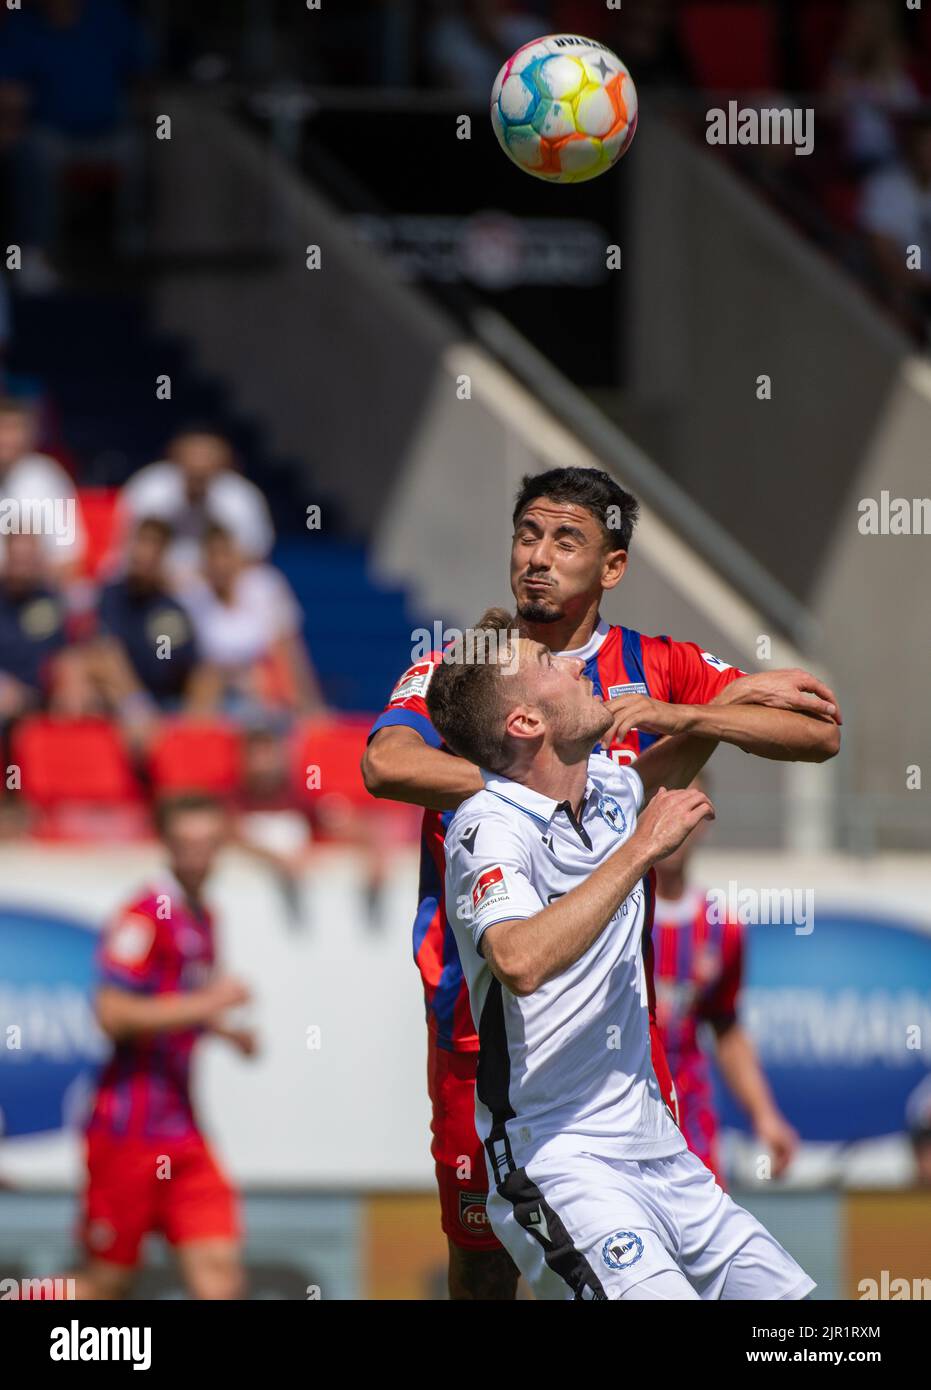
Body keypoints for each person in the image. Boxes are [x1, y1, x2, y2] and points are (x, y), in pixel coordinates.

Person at [362, 465, 841, 1300]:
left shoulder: (651, 668)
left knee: (644, 1242)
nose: (535, 558)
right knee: (486, 1253)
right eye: (525, 535)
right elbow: (383, 760)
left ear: (611, 568)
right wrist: (537, 796)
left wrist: (692, 715)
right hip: (480, 1031)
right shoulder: (479, 663)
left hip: (618, 1023)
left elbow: (815, 733)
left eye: (563, 539)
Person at [429, 617, 815, 1300]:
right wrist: (641, 849)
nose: (579, 666)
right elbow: (517, 958)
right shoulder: (486, 828)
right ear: (523, 722)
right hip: (559, 1161)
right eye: (551, 663)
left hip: (662, 1153)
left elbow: (704, 740)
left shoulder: (608, 786)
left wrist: (740, 695)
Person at [71, 792, 255, 1299]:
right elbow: (112, 1014)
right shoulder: (142, 914)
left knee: (220, 1274)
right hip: (126, 1130)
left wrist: (224, 1029)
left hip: (183, 1130)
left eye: (207, 843)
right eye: (185, 844)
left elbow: (176, 1004)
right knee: (105, 1283)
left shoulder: (205, 917)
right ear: (165, 845)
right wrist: (208, 1005)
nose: (197, 855)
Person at [652, 774, 798, 1187]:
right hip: (619, 1124)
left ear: (706, 816)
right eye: (662, 801)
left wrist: (765, 1117)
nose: (676, 819)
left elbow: (726, 1028)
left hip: (691, 1130)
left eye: (689, 805)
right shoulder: (611, 914)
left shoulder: (722, 927)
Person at [178, 522, 326, 719]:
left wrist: (311, 704)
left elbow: (290, 649)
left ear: (237, 557)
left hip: (264, 696)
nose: (219, 564)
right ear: (204, 563)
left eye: (225, 554)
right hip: (215, 698)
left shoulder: (264, 586)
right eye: (212, 556)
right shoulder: (192, 597)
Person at [86, 516, 200, 739]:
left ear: (162, 556)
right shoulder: (109, 596)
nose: (143, 553)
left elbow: (176, 665)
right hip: (121, 701)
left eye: (152, 546)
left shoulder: (172, 609)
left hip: (168, 705)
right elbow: (105, 653)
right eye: (140, 543)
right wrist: (136, 704)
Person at [117, 429, 275, 581]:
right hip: (156, 580)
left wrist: (206, 578)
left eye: (208, 457)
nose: (199, 464)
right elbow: (126, 545)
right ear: (175, 458)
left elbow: (255, 554)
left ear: (223, 463)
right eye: (192, 455)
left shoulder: (241, 497)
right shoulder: (149, 487)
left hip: (220, 582)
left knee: (262, 580)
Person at [0, 396, 85, 581]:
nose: (5, 438)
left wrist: (24, 575)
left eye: (13, 429)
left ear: (29, 434)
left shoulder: (49, 478)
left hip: (36, 593)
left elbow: (70, 560)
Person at [860, 111, 931, 329]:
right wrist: (920, 283)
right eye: (927, 144)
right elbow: (884, 251)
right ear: (913, 145)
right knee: (898, 292)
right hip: (902, 288)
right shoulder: (886, 185)